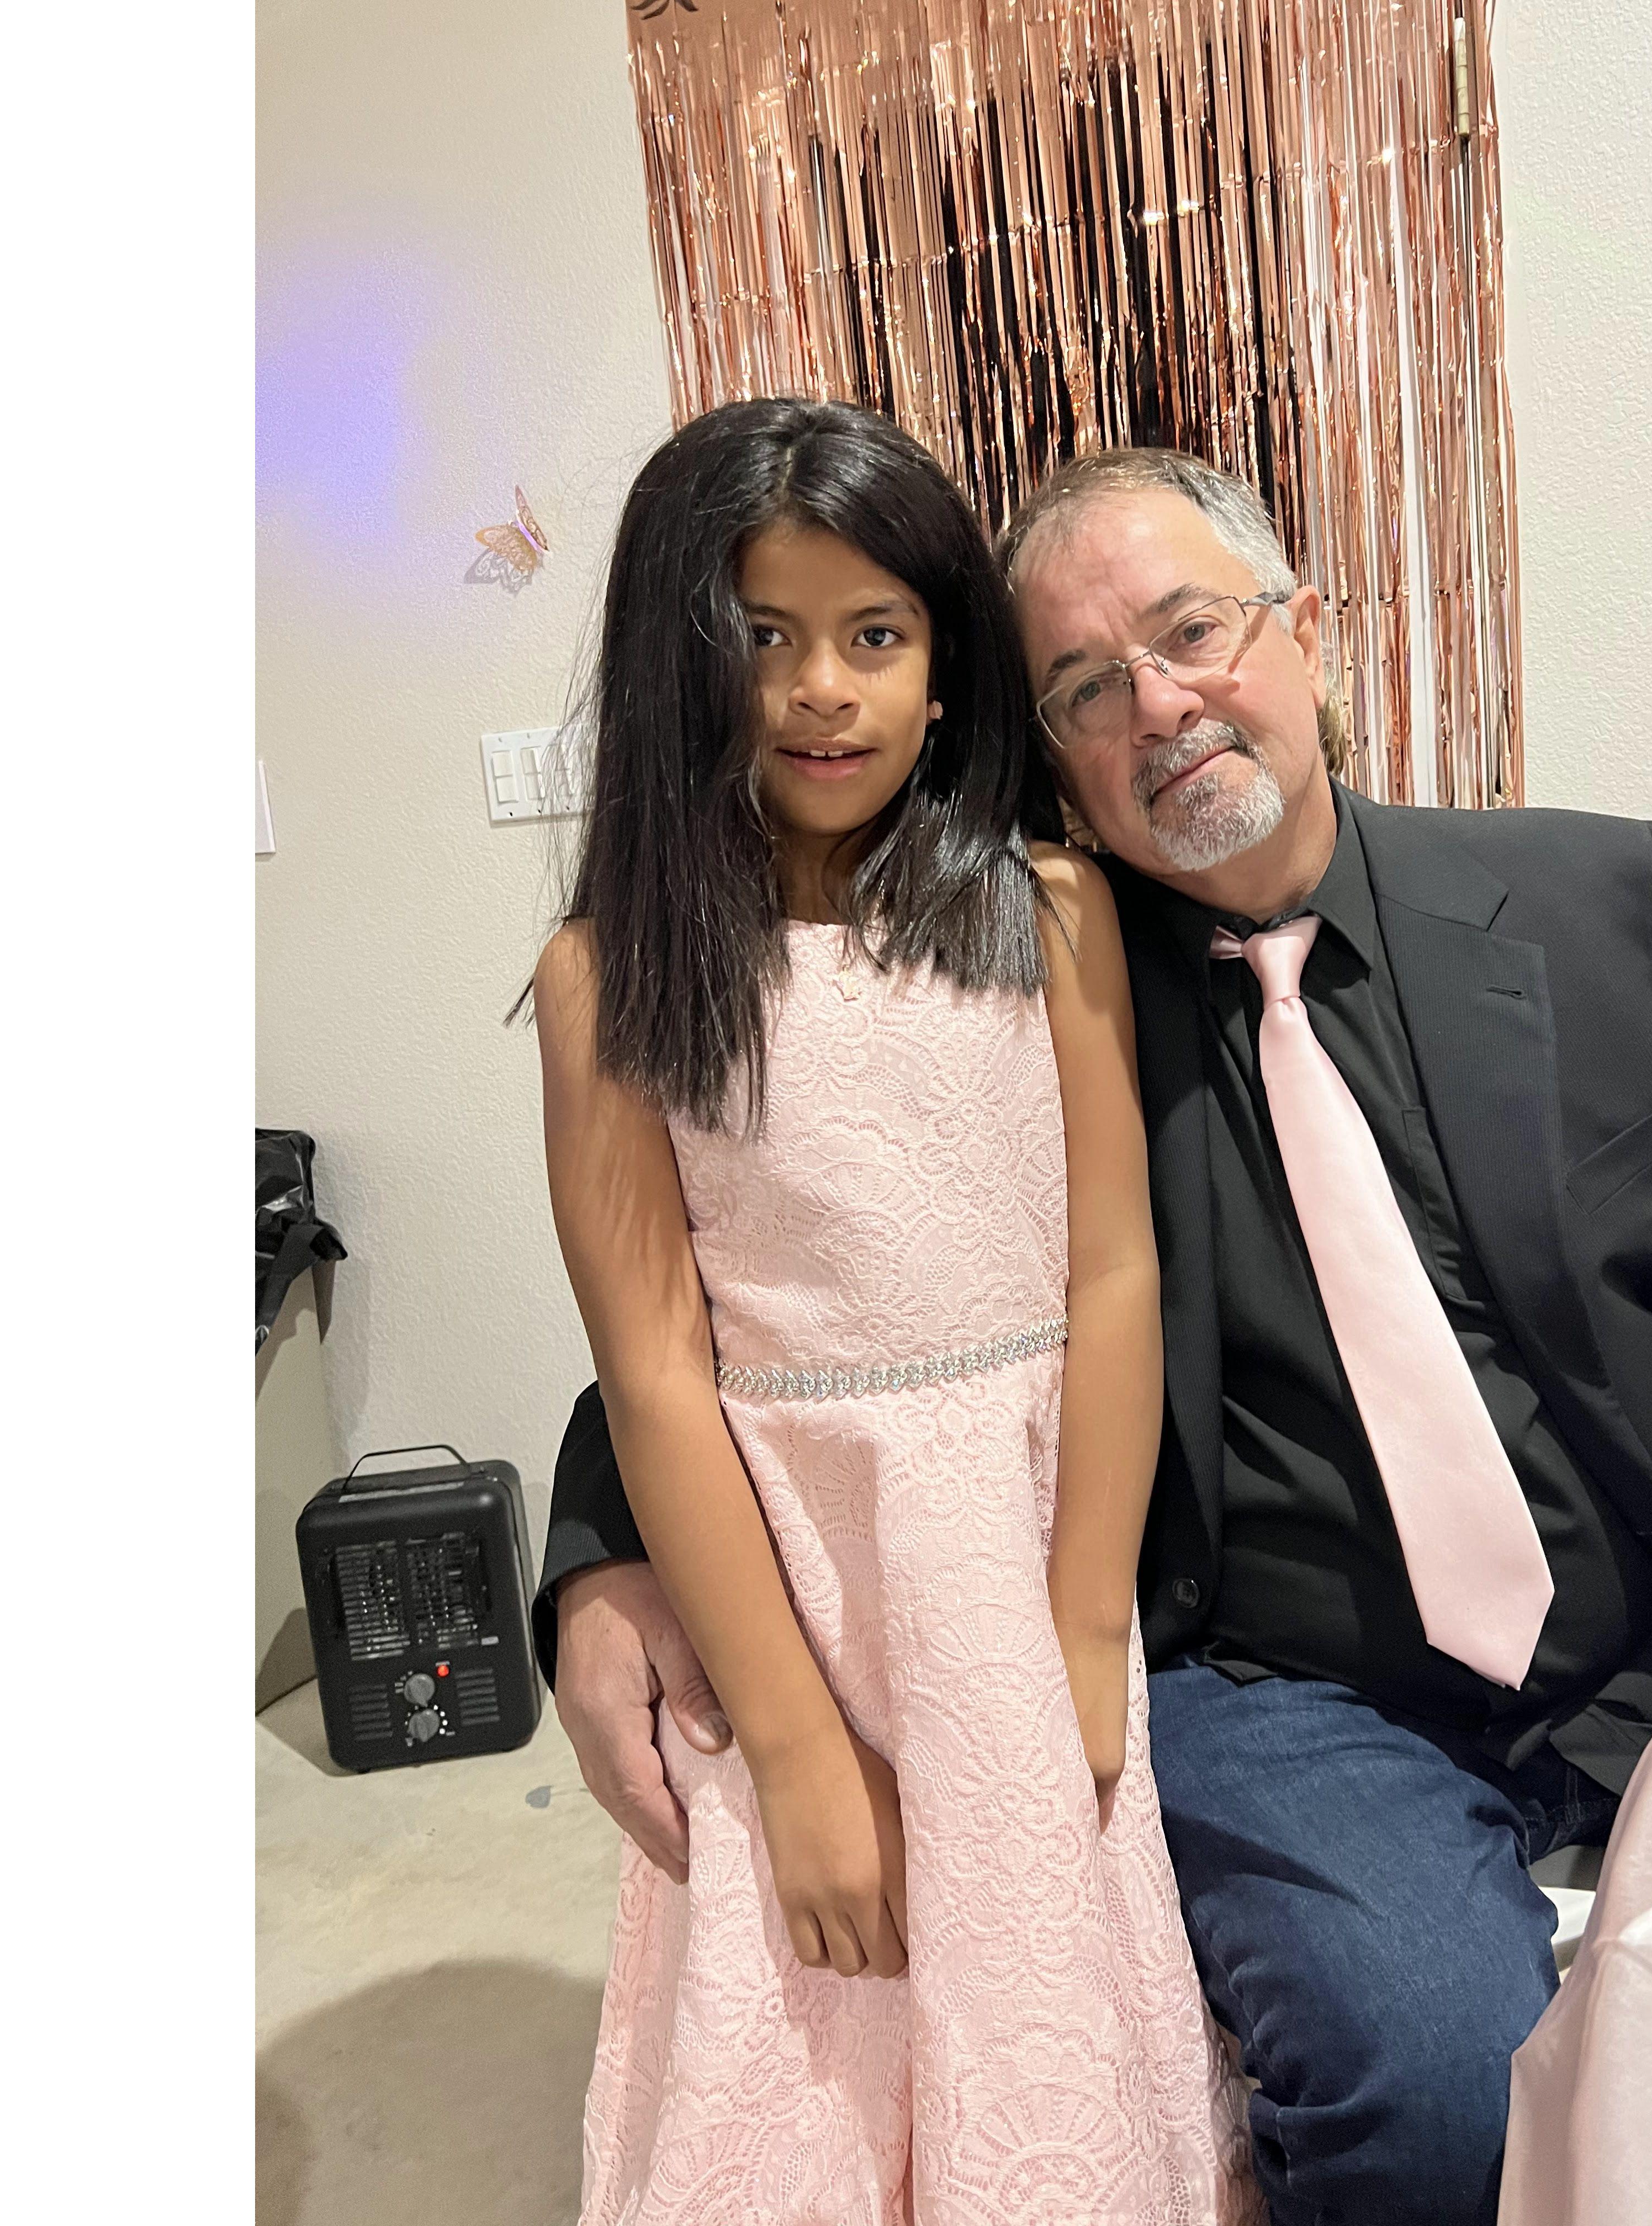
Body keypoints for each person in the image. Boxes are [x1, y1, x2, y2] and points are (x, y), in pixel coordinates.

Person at [537, 444, 1652, 2225]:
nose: (1161, 706)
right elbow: (782, 1284)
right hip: (1290, 1688)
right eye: (1087, 688)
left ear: (1307, 633)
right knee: (1436, 2091)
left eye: (1193, 633)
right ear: (1040, 744)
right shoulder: (1033, 965)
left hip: (1643, 1627)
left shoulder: (1595, 899)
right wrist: (597, 1561)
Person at [530, 404, 1259, 2225]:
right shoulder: (608, 979)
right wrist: (789, 1745)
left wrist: (1084, 1619)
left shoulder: (1051, 913)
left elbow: (1112, 1274)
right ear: (676, 661)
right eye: (760, 636)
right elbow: (655, 1375)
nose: (820, 688)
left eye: (875, 634)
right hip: (790, 1574)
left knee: (1042, 2016)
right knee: (808, 2019)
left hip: (1016, 1575)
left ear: (946, 669)